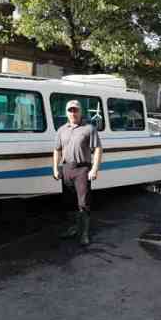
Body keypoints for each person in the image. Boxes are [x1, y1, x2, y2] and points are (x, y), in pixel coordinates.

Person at [53, 100, 103, 245]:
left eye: (75, 110)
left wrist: (94, 169)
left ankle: (84, 234)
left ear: (81, 112)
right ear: (66, 112)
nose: (73, 113)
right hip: (67, 168)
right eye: (70, 110)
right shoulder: (61, 130)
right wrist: (55, 168)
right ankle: (73, 228)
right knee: (69, 202)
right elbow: (57, 150)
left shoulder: (89, 128)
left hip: (82, 169)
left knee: (84, 203)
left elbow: (98, 149)